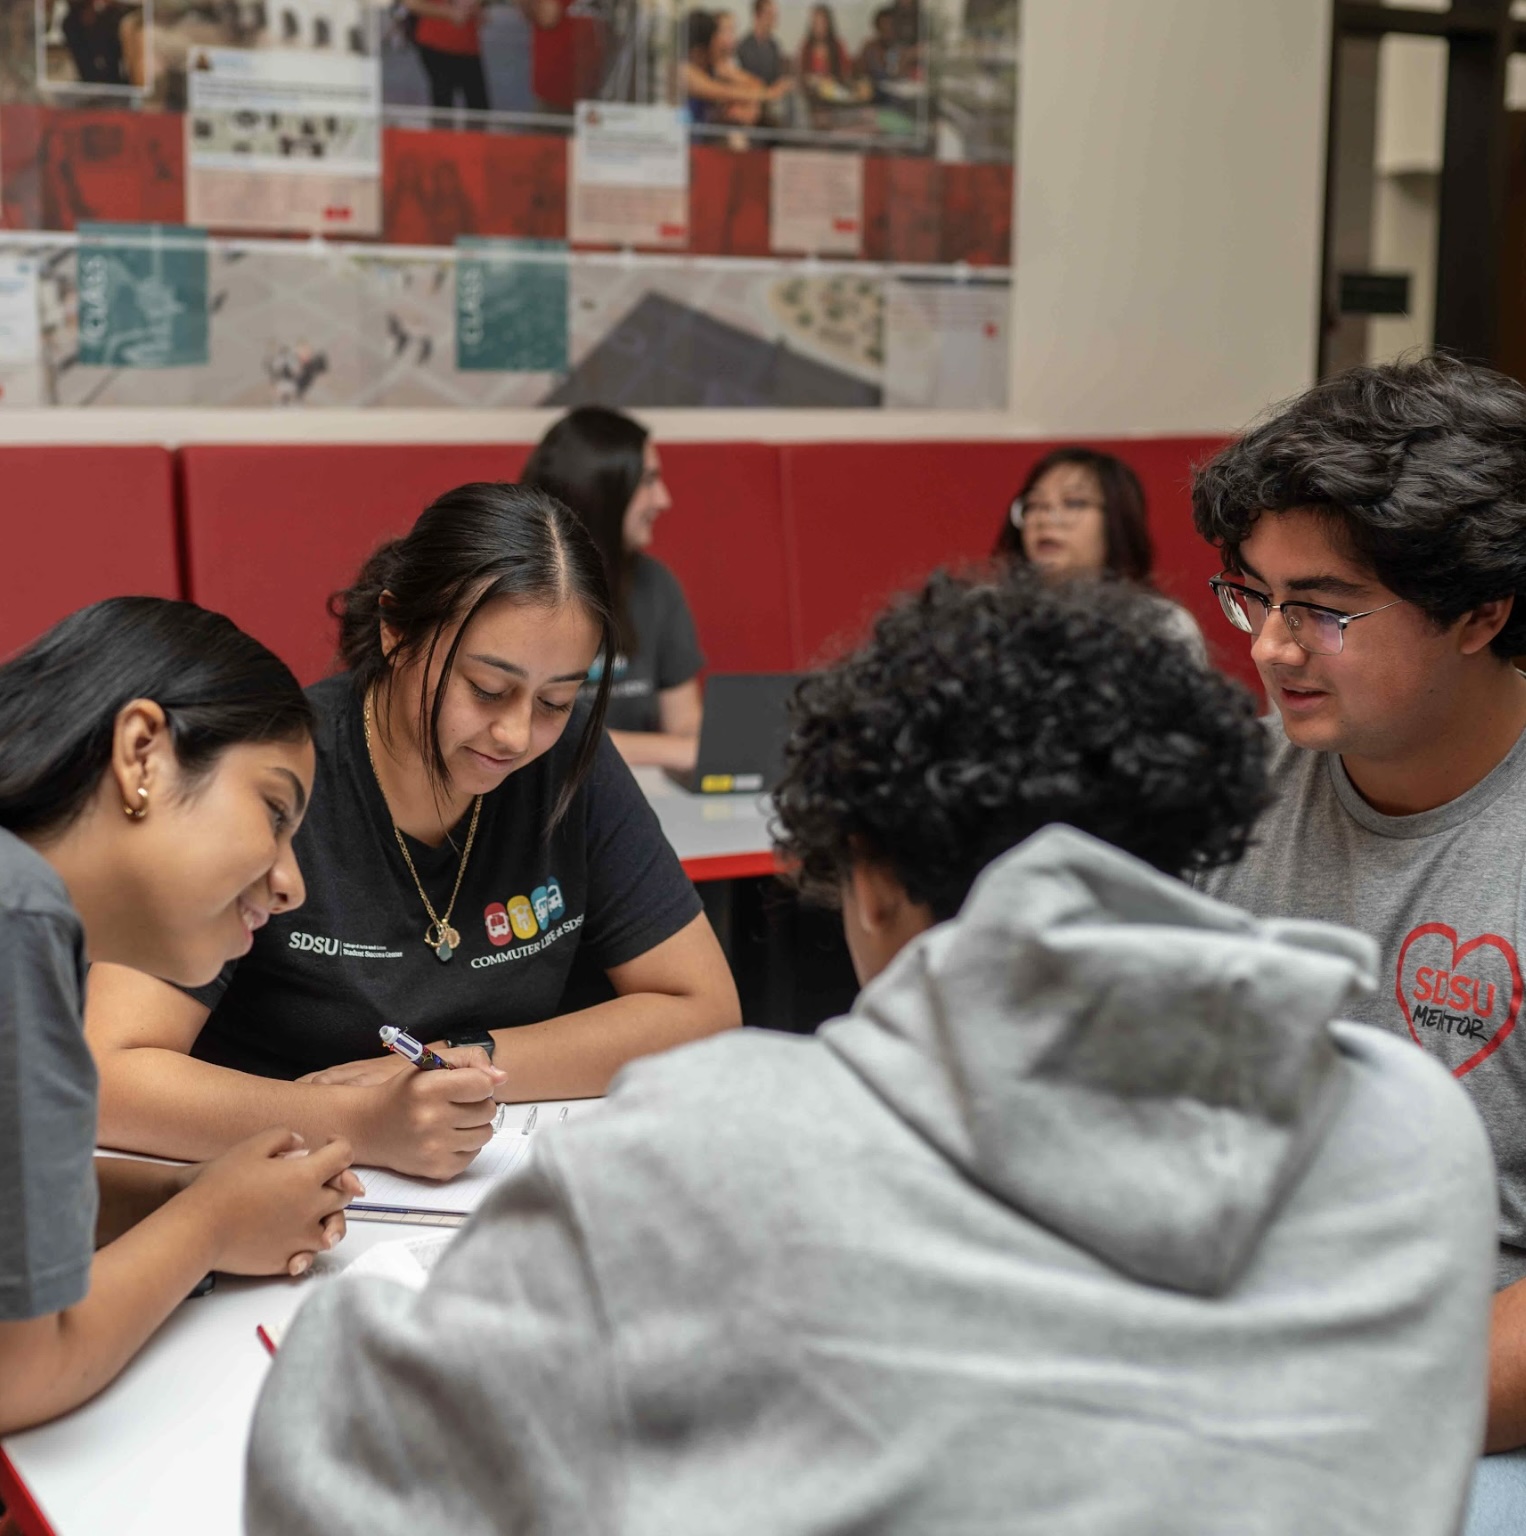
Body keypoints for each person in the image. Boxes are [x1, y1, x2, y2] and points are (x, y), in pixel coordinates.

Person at [244, 569, 1494, 1536]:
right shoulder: (1413, 1138)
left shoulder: (714, 1148)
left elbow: (337, 1490)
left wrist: (337, 1330)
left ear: (873, 881)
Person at [86, 483, 739, 1181]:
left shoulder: (570, 761)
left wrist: (469, 1062)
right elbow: (107, 1072)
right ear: (396, 630)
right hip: (283, 1187)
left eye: (555, 699)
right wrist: (361, 1123)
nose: (517, 734)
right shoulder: (274, 771)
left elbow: (703, 1009)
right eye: (487, 689)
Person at [1188, 355, 1526, 1534]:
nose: (1270, 648)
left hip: (1445, 1393)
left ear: (1480, 611)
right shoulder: (1235, 792)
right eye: (1251, 596)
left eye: (1321, 609)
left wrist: (1301, 1404)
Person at [0, 597, 359, 1435]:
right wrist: (210, 1224)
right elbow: (19, 1372)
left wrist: (181, 1194)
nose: (290, 882)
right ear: (141, 755)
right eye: (274, 813)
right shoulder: (19, 917)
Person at [522, 405, 706, 772]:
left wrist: (693, 749)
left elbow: (687, 727)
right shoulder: (519, 589)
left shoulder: (657, 585)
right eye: (648, 481)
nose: (663, 499)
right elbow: (526, 734)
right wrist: (676, 752)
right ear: (601, 491)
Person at [995, 445, 1204, 655]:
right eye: (1034, 504)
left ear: (1116, 520)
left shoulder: (1162, 626)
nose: (1045, 519)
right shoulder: (991, 616)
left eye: (1073, 503)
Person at [680, 8, 788, 127]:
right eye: (718, 37)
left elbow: (756, 85)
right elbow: (721, 91)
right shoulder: (684, 71)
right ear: (699, 51)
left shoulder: (715, 67)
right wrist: (768, 94)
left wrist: (726, 71)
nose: (721, 43)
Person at [402, 0, 489, 115]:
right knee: (444, 105)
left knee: (478, 106)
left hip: (467, 46)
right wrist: (449, 13)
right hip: (436, 45)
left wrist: (476, 10)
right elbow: (412, 3)